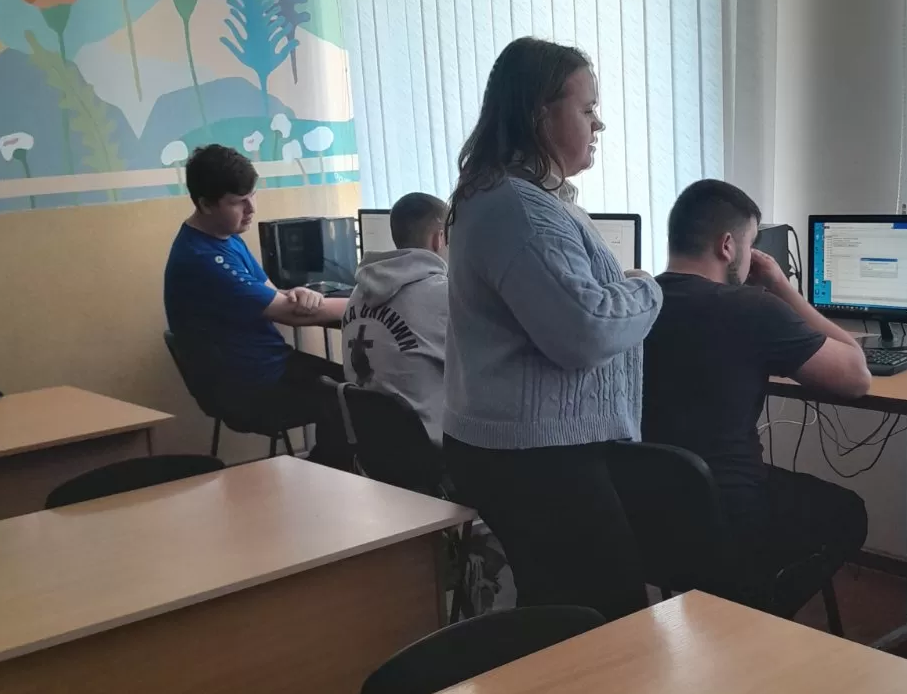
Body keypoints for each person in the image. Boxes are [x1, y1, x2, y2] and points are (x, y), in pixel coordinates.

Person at [442, 36, 663, 621]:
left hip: (526, 449)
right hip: (538, 458)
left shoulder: (508, 195)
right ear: (540, 113)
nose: (599, 124)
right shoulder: (520, 209)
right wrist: (646, 287)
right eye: (587, 109)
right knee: (608, 618)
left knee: (560, 607)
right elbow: (584, 331)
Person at [642, 179, 871, 619]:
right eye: (750, 245)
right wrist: (782, 287)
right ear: (727, 246)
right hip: (733, 511)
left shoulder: (633, 303)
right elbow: (856, 376)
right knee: (847, 514)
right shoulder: (751, 309)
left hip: (649, 512)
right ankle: (752, 617)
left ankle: (730, 614)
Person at [163, 143, 350, 464]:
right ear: (205, 204)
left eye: (253, 196)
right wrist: (367, 302)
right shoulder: (203, 259)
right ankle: (323, 477)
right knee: (355, 398)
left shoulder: (225, 237)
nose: (251, 208)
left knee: (354, 388)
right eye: (238, 201)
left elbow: (274, 295)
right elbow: (291, 315)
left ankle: (327, 471)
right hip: (249, 388)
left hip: (267, 366)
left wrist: (299, 294)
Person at [342, 192, 449, 445]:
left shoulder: (358, 292)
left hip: (373, 449)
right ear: (439, 238)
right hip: (433, 450)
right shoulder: (443, 294)